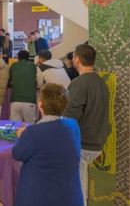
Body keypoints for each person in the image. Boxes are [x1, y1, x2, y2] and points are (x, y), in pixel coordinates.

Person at [13, 83, 83, 206]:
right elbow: (53, 139)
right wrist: (30, 132)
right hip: (70, 197)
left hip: (40, 197)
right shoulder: (73, 125)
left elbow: (17, 154)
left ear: (40, 104)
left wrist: (25, 135)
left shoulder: (33, 134)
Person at [64, 44, 109, 206]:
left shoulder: (79, 83)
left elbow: (71, 117)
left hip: (83, 144)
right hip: (97, 142)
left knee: (77, 189)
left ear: (76, 60)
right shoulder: (100, 82)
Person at [9, 50, 37, 124]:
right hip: (30, 101)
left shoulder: (13, 65)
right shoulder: (33, 66)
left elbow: (10, 81)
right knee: (30, 127)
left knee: (15, 128)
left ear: (18, 58)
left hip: (15, 100)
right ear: (28, 58)